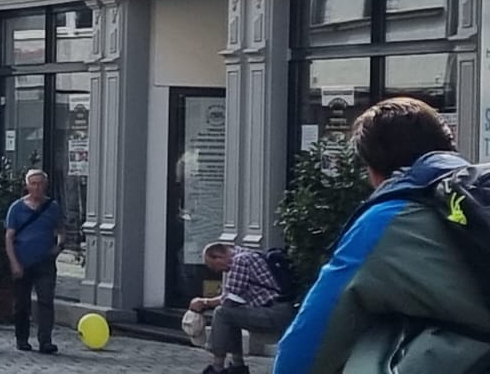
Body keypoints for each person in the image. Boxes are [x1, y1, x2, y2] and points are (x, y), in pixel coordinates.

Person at [274, 97, 490, 374]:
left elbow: (315, 331)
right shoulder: (476, 196)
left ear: (374, 172)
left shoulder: (386, 219)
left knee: (378, 338)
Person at [188, 241, 293, 373]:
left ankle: (217, 367)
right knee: (232, 315)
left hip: (274, 313)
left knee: (222, 313)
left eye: (213, 266)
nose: (216, 271)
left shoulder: (240, 261)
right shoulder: (248, 255)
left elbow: (229, 299)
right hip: (281, 310)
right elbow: (234, 301)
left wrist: (204, 302)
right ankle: (237, 365)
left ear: (219, 257)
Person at [5, 169, 63, 354]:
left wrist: (59, 247)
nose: (37, 187)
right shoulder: (16, 208)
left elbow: (61, 231)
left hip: (45, 262)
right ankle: (22, 338)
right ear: (27, 185)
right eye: (33, 183)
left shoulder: (52, 207)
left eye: (40, 184)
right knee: (22, 304)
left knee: (46, 301)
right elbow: (9, 237)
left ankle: (45, 341)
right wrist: (14, 262)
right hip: (22, 260)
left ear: (45, 185)